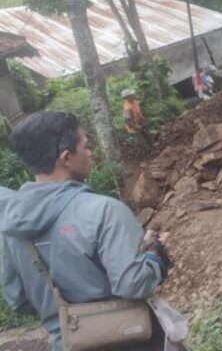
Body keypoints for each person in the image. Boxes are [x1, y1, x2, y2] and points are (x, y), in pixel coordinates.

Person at [1, 111, 173, 351]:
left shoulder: (10, 225)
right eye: (86, 145)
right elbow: (133, 285)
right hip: (129, 340)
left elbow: (18, 300)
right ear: (66, 157)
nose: (90, 152)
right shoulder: (104, 210)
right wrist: (155, 255)